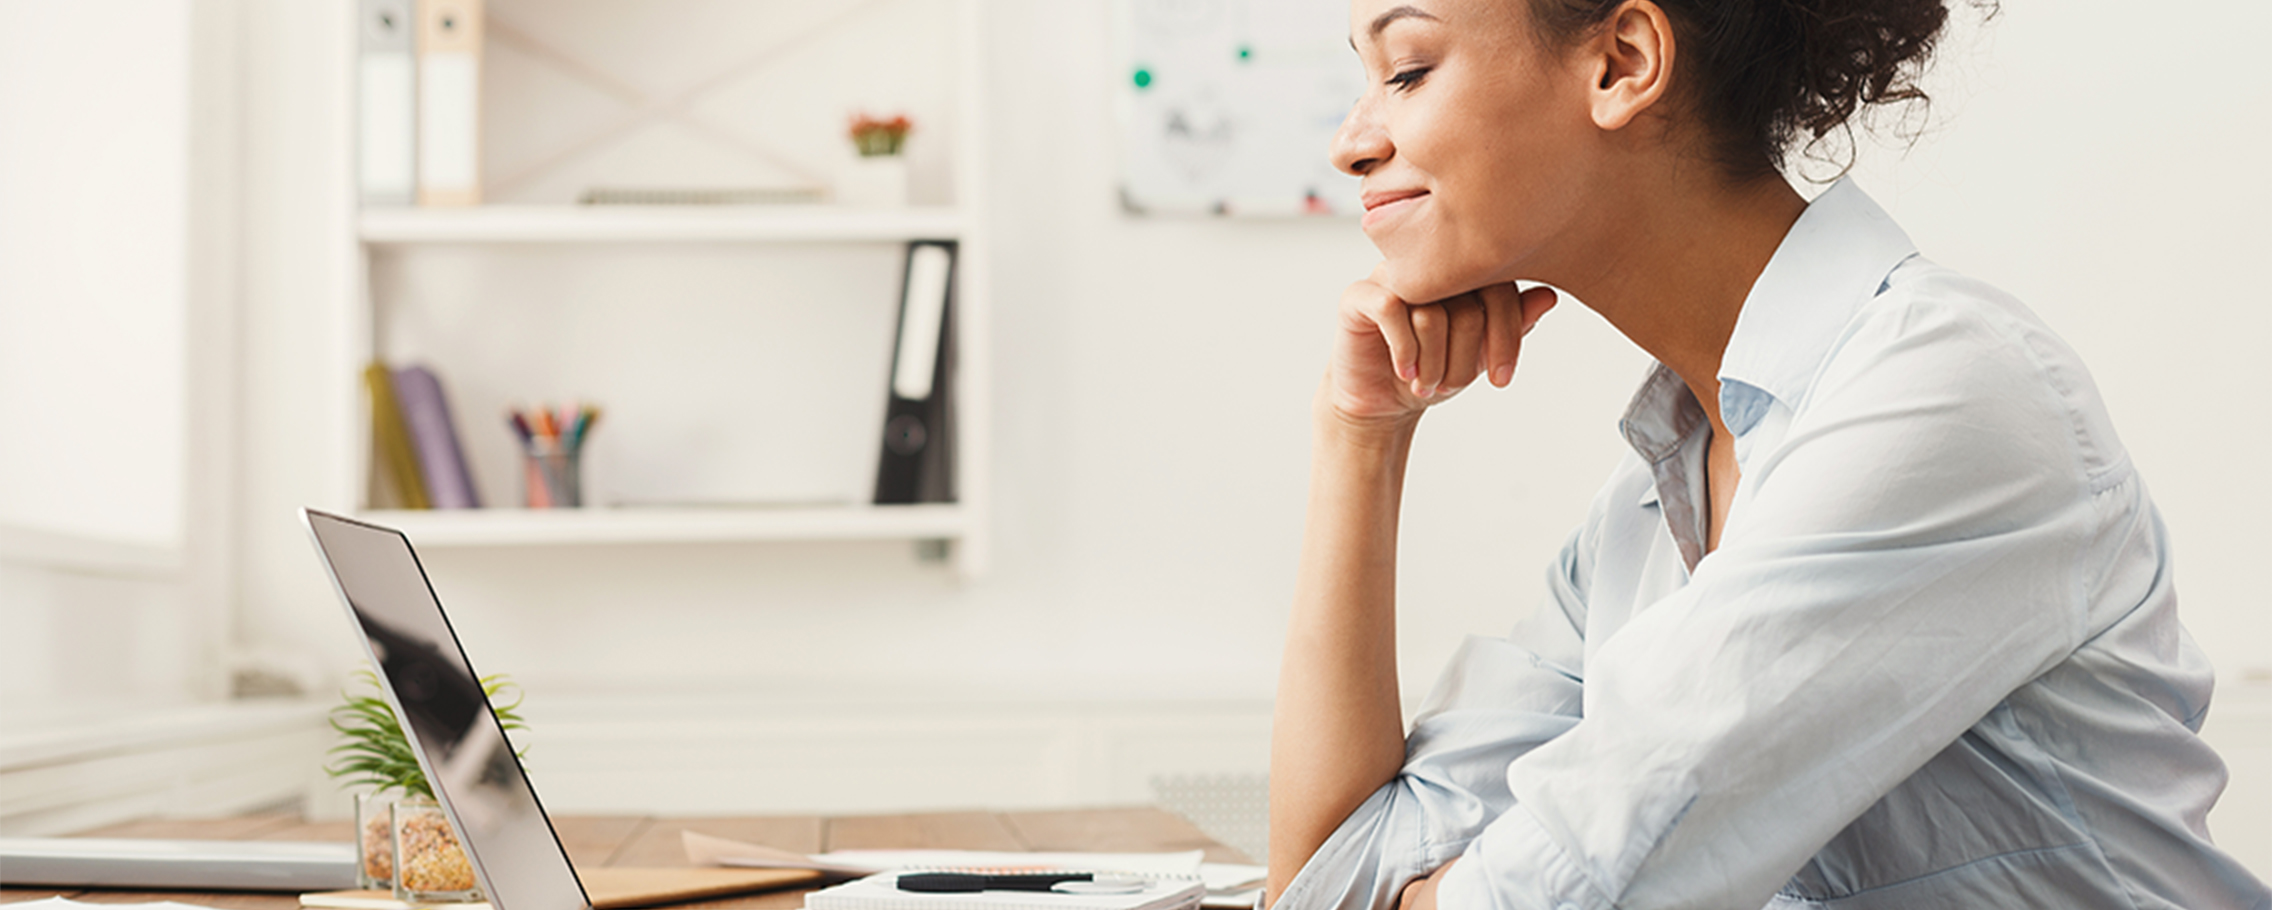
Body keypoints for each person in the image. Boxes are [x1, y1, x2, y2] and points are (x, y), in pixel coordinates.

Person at [1265, 0, 2272, 907]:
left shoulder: (1942, 394)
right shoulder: (1648, 510)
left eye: (1405, 71)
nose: (1349, 143)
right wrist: (1361, 437)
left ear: (1621, 61)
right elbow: (1327, 885)